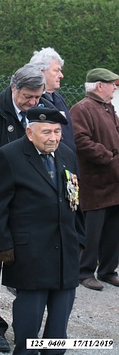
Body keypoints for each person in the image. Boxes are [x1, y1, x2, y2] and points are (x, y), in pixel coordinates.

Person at [0, 107, 85, 354]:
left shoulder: (66, 154)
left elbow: (75, 198)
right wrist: (4, 247)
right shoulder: (9, 156)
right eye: (47, 132)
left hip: (65, 251)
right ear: (29, 133)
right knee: (29, 324)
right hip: (30, 254)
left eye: (58, 131)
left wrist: (80, 239)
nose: (53, 137)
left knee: (59, 326)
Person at [0, 64, 47, 353]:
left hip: (28, 212)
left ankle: (25, 329)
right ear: (14, 88)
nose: (33, 103)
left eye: (38, 97)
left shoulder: (42, 112)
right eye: (28, 96)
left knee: (27, 274)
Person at [70, 68, 119, 291]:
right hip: (94, 183)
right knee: (92, 230)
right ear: (99, 86)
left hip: (114, 182)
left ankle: (108, 270)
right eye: (112, 84)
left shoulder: (108, 108)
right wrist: (107, 156)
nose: (115, 88)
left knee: (113, 230)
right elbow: (80, 140)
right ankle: (85, 272)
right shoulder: (82, 109)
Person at [29, 47, 76, 152]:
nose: (61, 76)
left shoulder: (57, 97)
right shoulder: (32, 101)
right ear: (41, 71)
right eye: (56, 71)